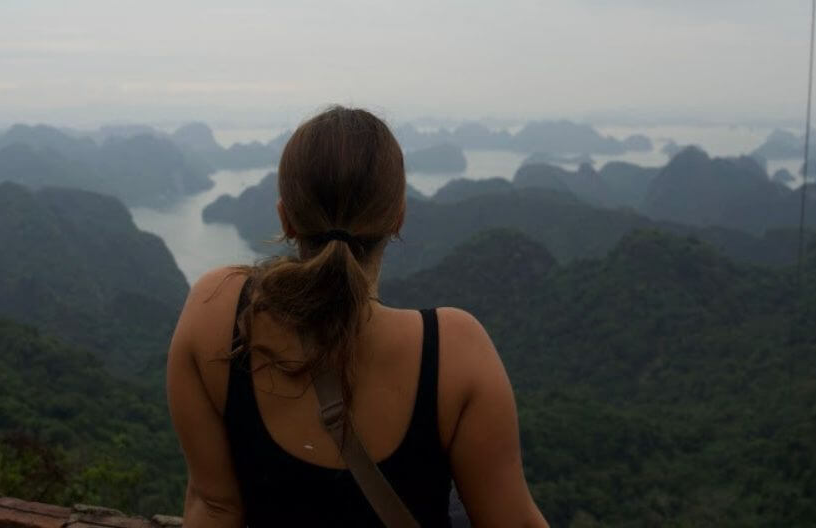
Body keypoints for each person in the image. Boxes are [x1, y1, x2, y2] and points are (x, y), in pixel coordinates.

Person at [167, 106, 547, 527]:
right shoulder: (455, 351)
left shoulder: (215, 308)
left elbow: (213, 507)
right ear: (398, 218)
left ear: (286, 218)